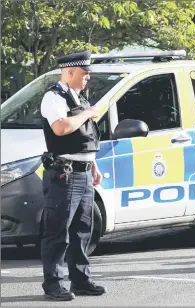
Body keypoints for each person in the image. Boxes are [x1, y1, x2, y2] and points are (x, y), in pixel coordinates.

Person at [39, 51, 106, 301]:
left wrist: (94, 165)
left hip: (84, 172)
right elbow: (61, 127)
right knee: (58, 232)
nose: (88, 77)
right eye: (84, 72)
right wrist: (88, 113)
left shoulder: (79, 97)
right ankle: (54, 283)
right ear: (69, 72)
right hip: (63, 175)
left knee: (82, 231)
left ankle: (80, 280)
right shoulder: (53, 97)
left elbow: (85, 139)